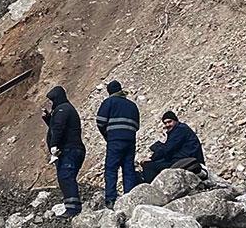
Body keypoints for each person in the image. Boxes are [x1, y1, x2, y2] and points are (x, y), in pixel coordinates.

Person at [95, 80, 140, 209]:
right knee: (128, 169)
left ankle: (110, 199)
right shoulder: (132, 105)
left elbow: (100, 121)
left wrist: (107, 135)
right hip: (130, 140)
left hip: (115, 140)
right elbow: (137, 125)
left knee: (111, 168)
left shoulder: (109, 102)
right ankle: (129, 198)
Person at [43, 86, 85, 218]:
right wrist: (48, 119)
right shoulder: (64, 109)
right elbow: (57, 127)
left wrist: (54, 145)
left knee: (66, 176)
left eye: (51, 100)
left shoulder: (63, 109)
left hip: (70, 150)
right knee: (65, 177)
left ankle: (73, 209)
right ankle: (71, 207)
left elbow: (58, 128)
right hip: (71, 149)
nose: (50, 103)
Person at [140, 111, 206, 184]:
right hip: (184, 158)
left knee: (148, 166)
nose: (167, 125)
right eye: (165, 123)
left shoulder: (180, 130)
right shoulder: (179, 129)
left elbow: (167, 149)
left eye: (169, 122)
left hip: (187, 160)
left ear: (175, 120)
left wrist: (152, 159)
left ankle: (152, 190)